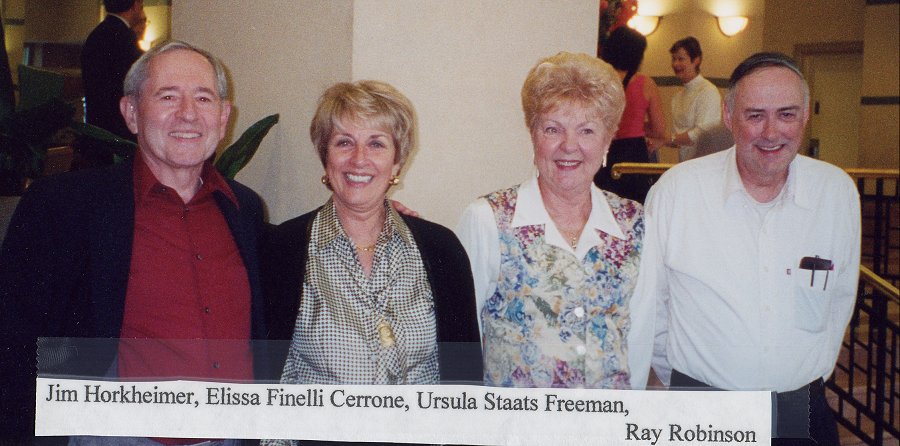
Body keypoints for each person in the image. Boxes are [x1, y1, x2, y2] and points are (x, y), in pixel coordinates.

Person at [0, 40, 267, 445]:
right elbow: (15, 340)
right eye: (167, 96)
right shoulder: (65, 206)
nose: (188, 113)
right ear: (131, 113)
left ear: (223, 116)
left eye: (203, 98)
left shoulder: (244, 209)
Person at [638, 52, 861, 445]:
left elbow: (840, 298)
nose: (771, 133)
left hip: (801, 411)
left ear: (805, 115)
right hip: (701, 409)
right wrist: (684, 386)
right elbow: (652, 305)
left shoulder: (835, 193)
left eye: (787, 114)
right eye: (755, 115)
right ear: (728, 116)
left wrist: (802, 376)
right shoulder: (677, 192)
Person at [263, 80, 482, 407]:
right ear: (325, 157)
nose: (359, 159)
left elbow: (466, 381)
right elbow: (266, 382)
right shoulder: (281, 249)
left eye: (376, 144)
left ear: (397, 163)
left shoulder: (442, 249)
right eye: (344, 142)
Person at [457, 52, 652, 390]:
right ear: (533, 135)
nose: (569, 146)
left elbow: (639, 342)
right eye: (552, 129)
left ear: (608, 140)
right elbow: (461, 342)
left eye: (587, 130)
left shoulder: (635, 223)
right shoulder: (487, 219)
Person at [593, 26, 666, 204]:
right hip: (634, 152)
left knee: (602, 203)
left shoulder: (598, 79)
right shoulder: (645, 83)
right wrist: (637, 124)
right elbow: (659, 130)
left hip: (604, 149)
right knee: (635, 205)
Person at [81, 0, 145, 140]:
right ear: (135, 5)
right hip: (118, 125)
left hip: (98, 123)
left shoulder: (97, 33)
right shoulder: (124, 36)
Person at [664, 36, 722, 162]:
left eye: (681, 59)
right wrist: (658, 139)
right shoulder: (677, 97)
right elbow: (679, 140)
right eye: (673, 59)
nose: (675, 64)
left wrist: (667, 139)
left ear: (696, 60)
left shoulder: (708, 91)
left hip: (705, 164)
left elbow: (702, 135)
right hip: (685, 164)